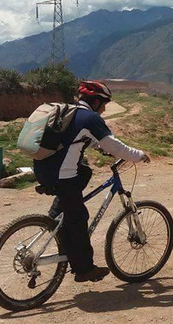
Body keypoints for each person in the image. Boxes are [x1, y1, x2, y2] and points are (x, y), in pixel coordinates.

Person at [33, 80, 151, 283]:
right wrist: (138, 155)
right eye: (104, 104)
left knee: (84, 173)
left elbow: (82, 139)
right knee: (78, 218)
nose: (105, 109)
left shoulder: (71, 113)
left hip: (42, 168)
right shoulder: (90, 118)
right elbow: (115, 146)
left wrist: (99, 148)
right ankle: (84, 269)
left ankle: (57, 213)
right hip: (62, 176)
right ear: (95, 102)